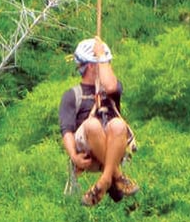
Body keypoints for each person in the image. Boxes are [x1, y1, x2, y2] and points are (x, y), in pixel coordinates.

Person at [59, 37, 139, 206]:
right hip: (87, 150)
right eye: (104, 64)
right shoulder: (71, 95)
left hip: (112, 146)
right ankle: (117, 177)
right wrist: (74, 156)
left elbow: (109, 86)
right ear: (91, 66)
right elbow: (66, 130)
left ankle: (104, 182)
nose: (107, 66)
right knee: (92, 124)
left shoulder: (113, 90)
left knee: (118, 124)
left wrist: (100, 54)